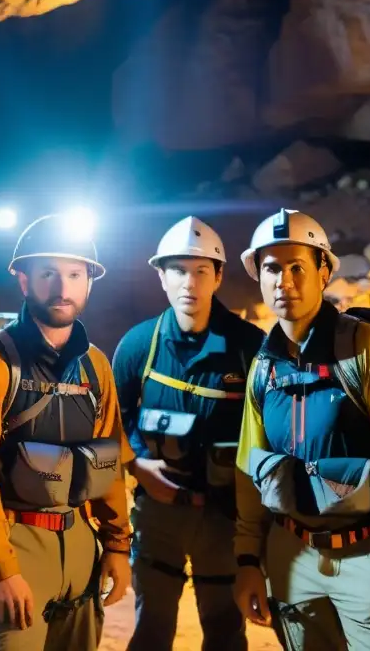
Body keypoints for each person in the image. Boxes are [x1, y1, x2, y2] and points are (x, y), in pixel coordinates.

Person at [232, 208, 370, 650]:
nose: (283, 282)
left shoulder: (367, 350)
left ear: (324, 271)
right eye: (271, 268)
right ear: (258, 276)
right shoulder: (264, 367)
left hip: (367, 552)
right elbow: (249, 466)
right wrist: (249, 557)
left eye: (297, 267)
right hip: (291, 555)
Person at [0, 212, 133, 651]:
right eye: (48, 272)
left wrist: (118, 546)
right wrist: (1, 569)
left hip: (80, 540)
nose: (63, 287)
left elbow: (108, 461)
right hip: (15, 540)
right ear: (24, 280)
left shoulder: (96, 366)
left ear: (89, 281)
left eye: (74, 273)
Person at [111, 216, 264, 651]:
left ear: (218, 276)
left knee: (224, 630)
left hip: (225, 517)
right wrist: (138, 465)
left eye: (200, 271)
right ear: (161, 276)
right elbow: (113, 418)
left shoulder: (248, 347)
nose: (188, 283)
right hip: (159, 516)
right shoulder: (140, 345)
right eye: (177, 270)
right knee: (153, 628)